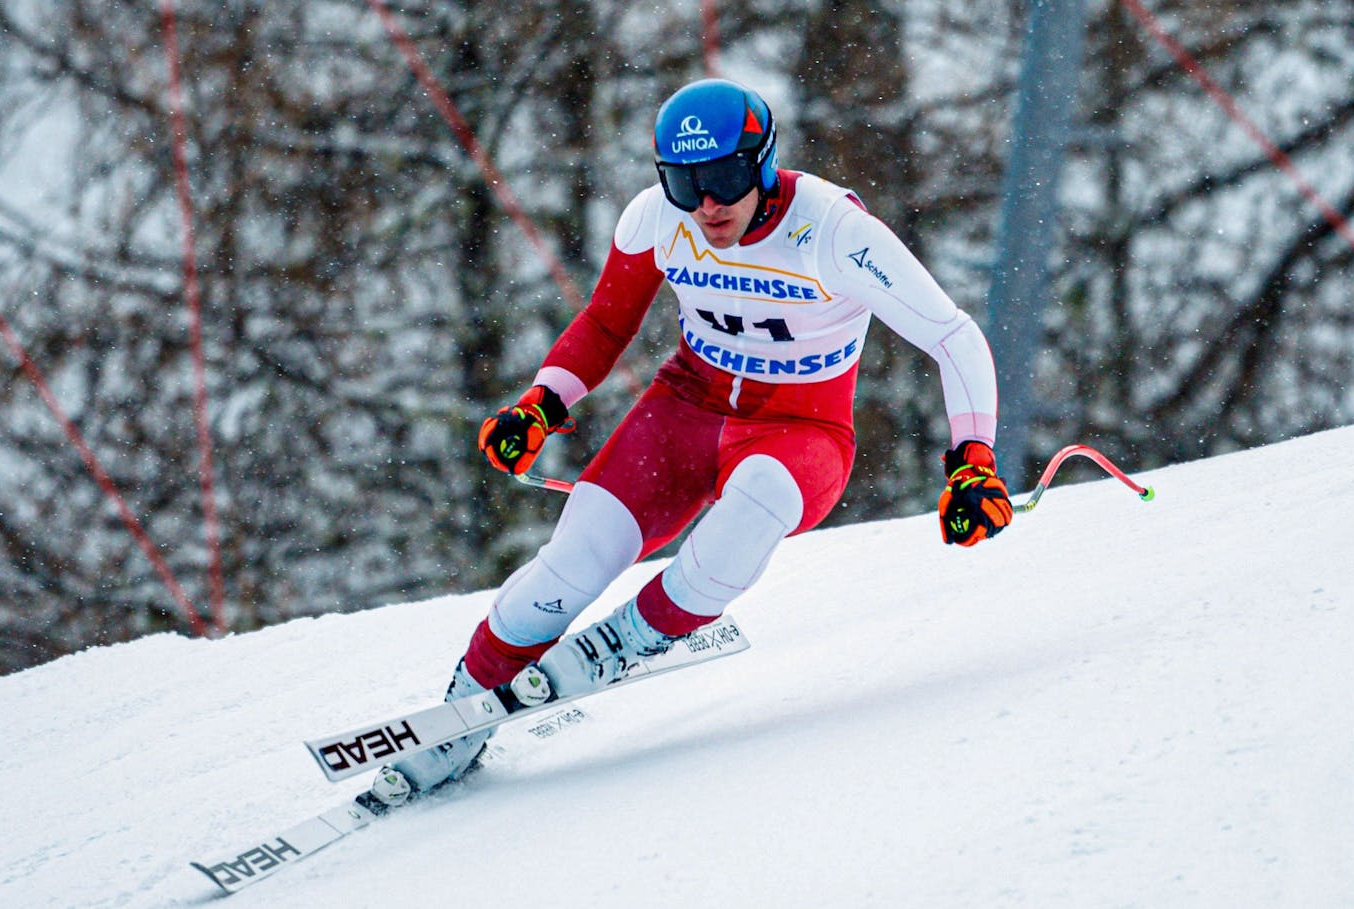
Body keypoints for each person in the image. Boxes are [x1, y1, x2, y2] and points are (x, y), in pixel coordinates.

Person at [373, 78, 1012, 803]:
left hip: (800, 429)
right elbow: (607, 322)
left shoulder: (834, 231)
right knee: (570, 563)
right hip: (685, 411)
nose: (708, 203)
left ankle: (634, 635)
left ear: (764, 163)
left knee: (756, 503)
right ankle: (460, 713)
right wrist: (541, 402)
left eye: (726, 177)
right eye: (684, 181)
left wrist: (973, 462)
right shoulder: (657, 220)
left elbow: (952, 336)